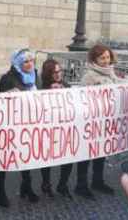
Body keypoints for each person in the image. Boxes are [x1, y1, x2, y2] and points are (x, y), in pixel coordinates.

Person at [75, 44, 123, 199]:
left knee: (101, 153)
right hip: (91, 121)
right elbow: (81, 98)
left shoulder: (111, 73)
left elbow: (120, 85)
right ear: (94, 59)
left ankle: (97, 181)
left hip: (105, 121)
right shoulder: (89, 76)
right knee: (86, 154)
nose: (106, 60)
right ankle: (81, 185)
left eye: (108, 57)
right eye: (102, 58)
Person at [0, 49, 39, 205]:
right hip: (10, 124)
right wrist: (8, 94)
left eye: (31, 61)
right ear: (18, 63)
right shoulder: (8, 78)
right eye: (25, 62)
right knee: (5, 157)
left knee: (27, 157)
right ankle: (0, 191)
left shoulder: (34, 77)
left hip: (29, 123)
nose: (29, 64)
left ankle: (26, 187)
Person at [39, 59, 74, 198]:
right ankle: (46, 184)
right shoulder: (41, 88)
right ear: (48, 74)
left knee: (68, 157)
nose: (58, 74)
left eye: (60, 71)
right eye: (54, 72)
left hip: (64, 128)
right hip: (48, 129)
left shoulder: (66, 85)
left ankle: (62, 184)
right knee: (47, 158)